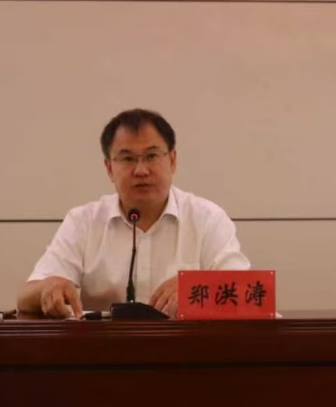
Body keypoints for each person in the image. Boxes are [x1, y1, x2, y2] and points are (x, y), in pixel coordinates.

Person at [17, 108, 251, 319]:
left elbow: (247, 291)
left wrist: (195, 287)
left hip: (186, 348)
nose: (141, 170)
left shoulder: (207, 218)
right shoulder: (83, 222)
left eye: (152, 156)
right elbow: (25, 297)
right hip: (102, 349)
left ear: (172, 160)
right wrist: (48, 288)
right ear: (109, 168)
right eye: (127, 158)